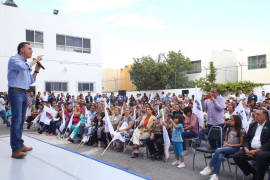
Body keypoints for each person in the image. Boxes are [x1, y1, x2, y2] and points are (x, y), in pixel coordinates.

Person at [7, 42, 42, 158]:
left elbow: (30, 81)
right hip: (15, 91)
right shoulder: (14, 60)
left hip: (24, 92)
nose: (31, 51)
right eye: (29, 48)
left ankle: (20, 144)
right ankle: (15, 149)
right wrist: (35, 61)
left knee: (21, 121)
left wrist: (36, 70)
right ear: (22, 50)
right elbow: (23, 67)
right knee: (16, 120)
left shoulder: (27, 64)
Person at [200, 115, 244, 180]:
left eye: (231, 120)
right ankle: (216, 175)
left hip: (235, 149)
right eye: (229, 120)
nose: (229, 121)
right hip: (227, 148)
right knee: (220, 154)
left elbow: (241, 144)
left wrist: (229, 145)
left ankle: (209, 167)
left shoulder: (241, 131)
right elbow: (226, 140)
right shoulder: (229, 129)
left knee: (218, 150)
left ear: (236, 121)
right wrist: (225, 143)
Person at [233, 108, 270, 180]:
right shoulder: (253, 125)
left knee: (260, 156)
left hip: (264, 151)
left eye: (258, 114)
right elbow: (246, 138)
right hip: (250, 149)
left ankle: (258, 178)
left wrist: (257, 151)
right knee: (237, 156)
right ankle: (253, 172)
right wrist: (246, 148)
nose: (255, 116)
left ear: (265, 116)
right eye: (255, 114)